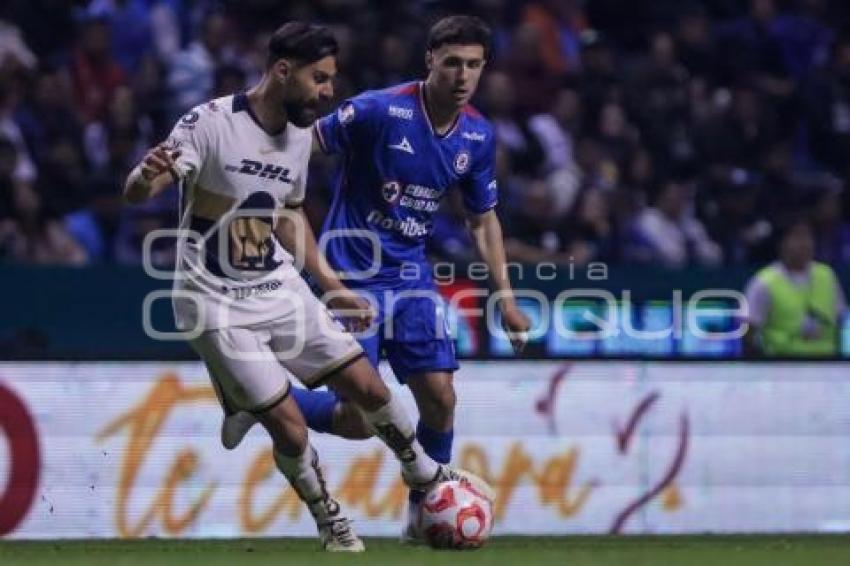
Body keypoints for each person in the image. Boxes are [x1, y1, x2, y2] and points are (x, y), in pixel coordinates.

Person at [123, 22, 473, 553]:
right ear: (283, 71)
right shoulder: (210, 123)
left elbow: (288, 215)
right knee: (290, 430)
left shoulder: (298, 135)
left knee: (369, 390)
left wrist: (331, 285)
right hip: (213, 301)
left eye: (331, 80)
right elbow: (140, 189)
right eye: (320, 78)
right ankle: (329, 518)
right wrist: (144, 177)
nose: (328, 92)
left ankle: (422, 472)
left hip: (277, 286)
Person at [223, 15, 529, 544]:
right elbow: (303, 141)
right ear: (430, 60)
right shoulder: (379, 110)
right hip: (351, 273)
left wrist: (505, 298)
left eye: (473, 65)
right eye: (452, 63)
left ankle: (422, 516)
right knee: (360, 420)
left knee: (441, 399)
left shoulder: (478, 135)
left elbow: (482, 220)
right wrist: (251, 180)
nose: (462, 76)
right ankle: (264, 400)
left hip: (411, 279)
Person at [744, 218, 846, 356]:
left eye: (808, 236)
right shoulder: (764, 283)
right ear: (781, 243)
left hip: (827, 362)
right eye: (797, 237)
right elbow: (749, 333)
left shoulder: (827, 276)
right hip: (782, 363)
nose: (804, 243)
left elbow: (841, 321)